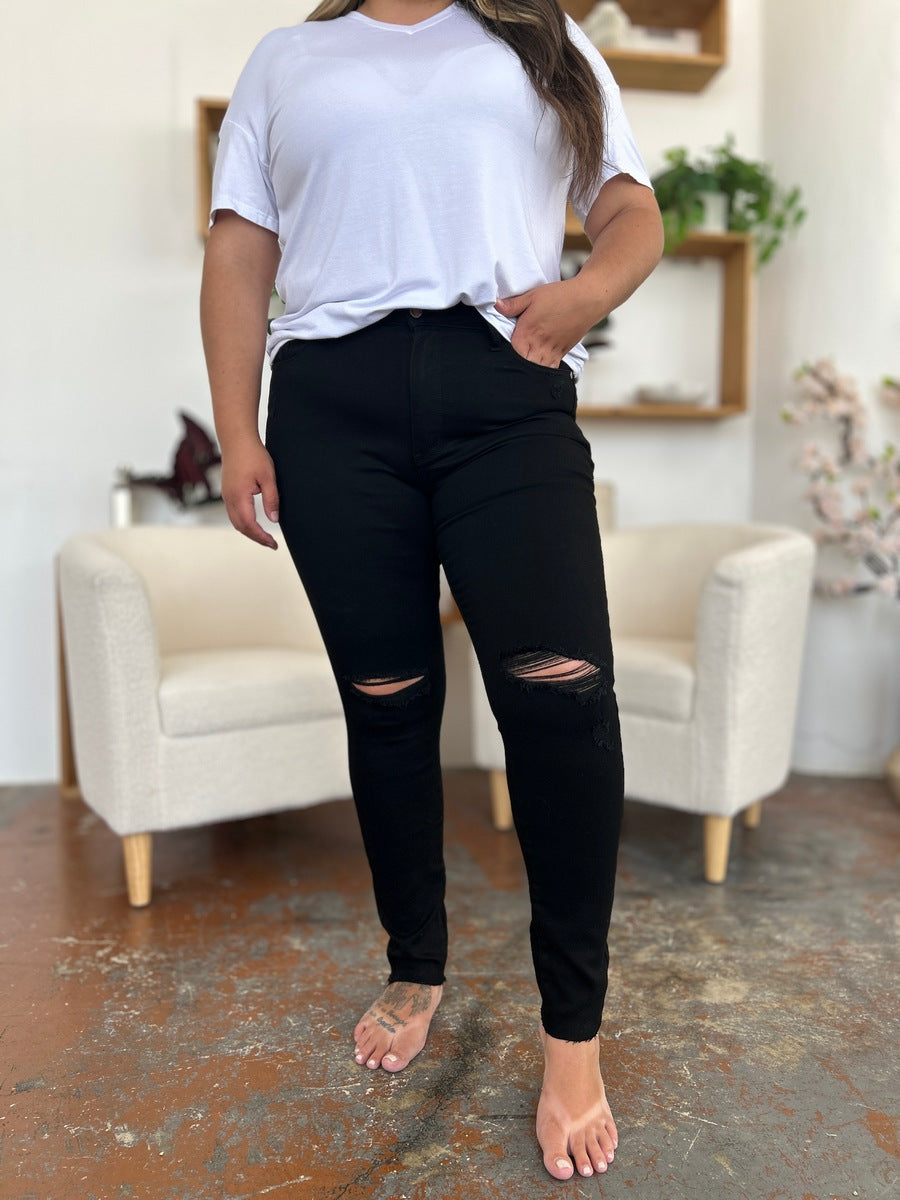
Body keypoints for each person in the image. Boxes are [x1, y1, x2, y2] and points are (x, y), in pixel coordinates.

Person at [200, 0, 662, 1181]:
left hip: (501, 381)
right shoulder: (287, 59)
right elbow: (242, 248)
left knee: (562, 696)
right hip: (330, 407)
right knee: (389, 694)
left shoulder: (540, 37)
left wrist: (585, 293)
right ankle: (417, 960)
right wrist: (236, 431)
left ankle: (574, 1035)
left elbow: (630, 211)